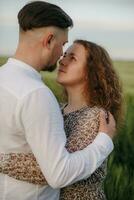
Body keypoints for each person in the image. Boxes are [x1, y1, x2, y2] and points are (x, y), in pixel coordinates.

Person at [0, 1, 116, 200]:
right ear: (49, 40)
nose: (62, 58)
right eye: (63, 47)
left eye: (72, 57)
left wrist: (3, 161)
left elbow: (52, 170)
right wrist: (104, 142)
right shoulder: (38, 95)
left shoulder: (95, 116)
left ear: (91, 72)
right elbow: (59, 171)